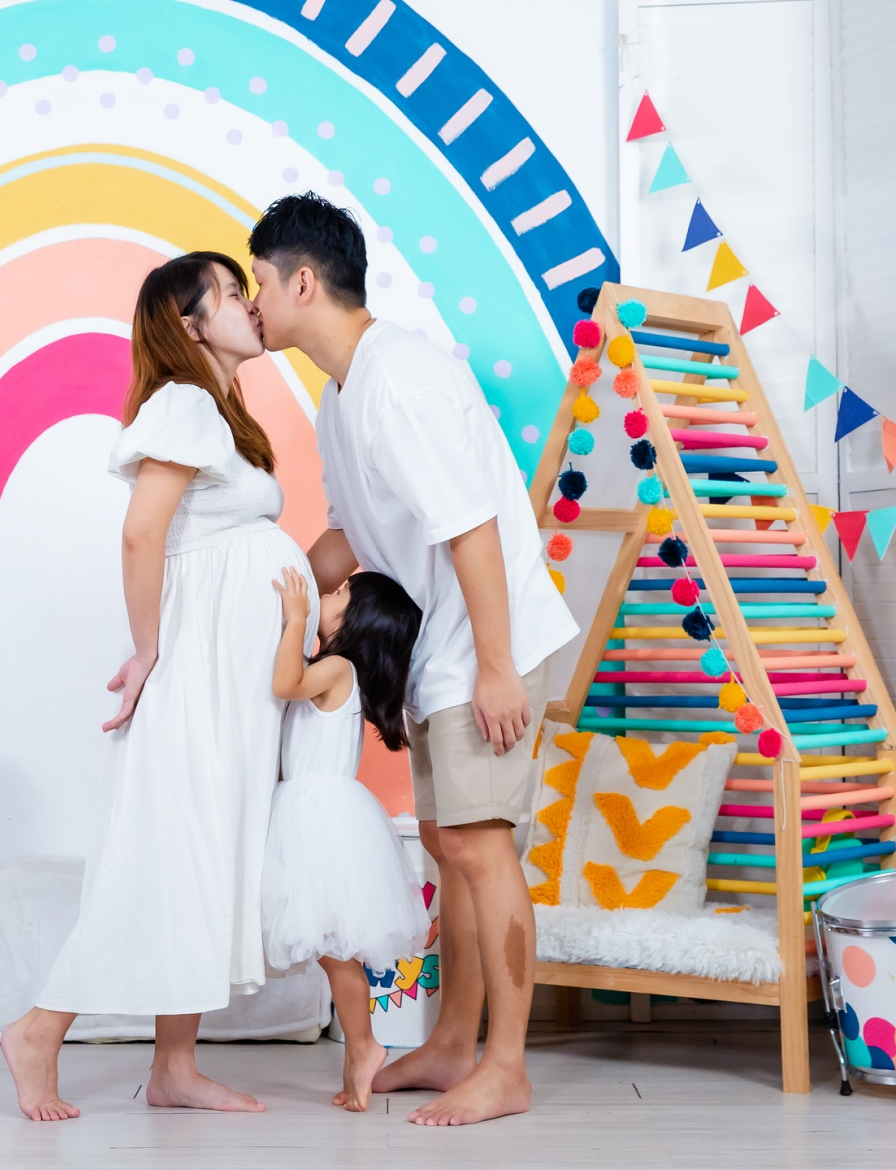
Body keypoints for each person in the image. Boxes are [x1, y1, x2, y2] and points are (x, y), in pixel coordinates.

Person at [249, 194, 580, 1126]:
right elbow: (352, 536)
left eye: (260, 284)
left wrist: (500, 667)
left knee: (481, 843)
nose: (254, 302)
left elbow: (471, 526)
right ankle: (450, 1042)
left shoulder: (402, 379)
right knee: (447, 841)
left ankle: (505, 1066)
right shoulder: (341, 394)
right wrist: (266, 585)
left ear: (303, 281)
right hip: (449, 637)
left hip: (487, 636)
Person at [1, 252, 318, 1120]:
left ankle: (173, 1066)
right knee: (165, 857)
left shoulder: (217, 412)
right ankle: (37, 1028)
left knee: (201, 861)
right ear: (187, 324)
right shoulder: (182, 404)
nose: (249, 305)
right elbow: (143, 538)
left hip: (231, 678)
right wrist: (149, 653)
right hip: (196, 674)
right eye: (227, 294)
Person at [262, 567, 430, 1113]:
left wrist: (294, 618)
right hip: (321, 811)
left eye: (338, 594)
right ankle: (360, 1050)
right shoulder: (343, 672)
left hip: (317, 816)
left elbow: (284, 684)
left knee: (336, 951)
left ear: (357, 620)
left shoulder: (336, 667)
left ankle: (364, 1045)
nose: (326, 594)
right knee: (336, 951)